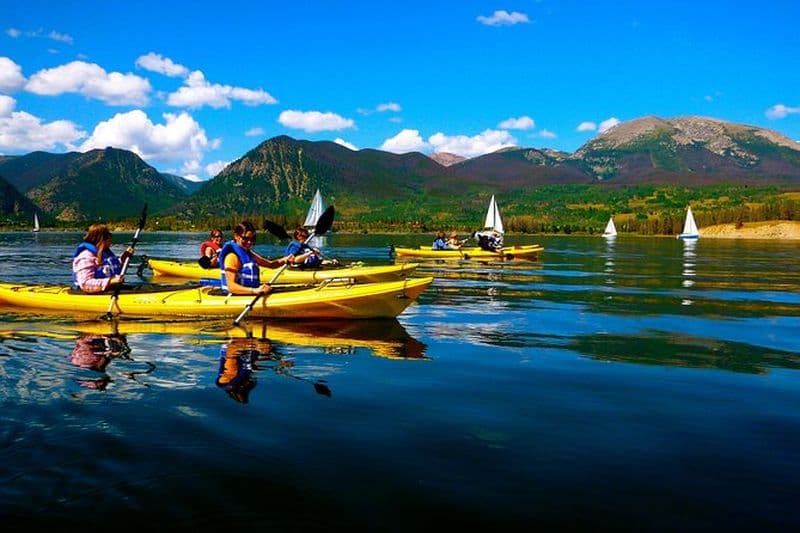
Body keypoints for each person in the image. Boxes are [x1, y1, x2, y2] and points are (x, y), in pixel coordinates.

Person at [218, 220, 291, 296]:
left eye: (252, 239)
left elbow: (271, 265)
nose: (249, 242)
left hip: (250, 292)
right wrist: (255, 291)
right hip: (234, 297)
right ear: (236, 236)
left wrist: (285, 260)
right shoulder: (232, 257)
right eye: (245, 238)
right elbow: (231, 287)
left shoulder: (249, 254)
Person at [72, 223, 134, 293]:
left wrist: (124, 259)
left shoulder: (106, 254)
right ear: (101, 239)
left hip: (111, 289)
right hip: (91, 293)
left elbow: (114, 270)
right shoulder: (85, 257)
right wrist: (110, 281)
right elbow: (85, 283)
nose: (111, 238)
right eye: (108, 235)